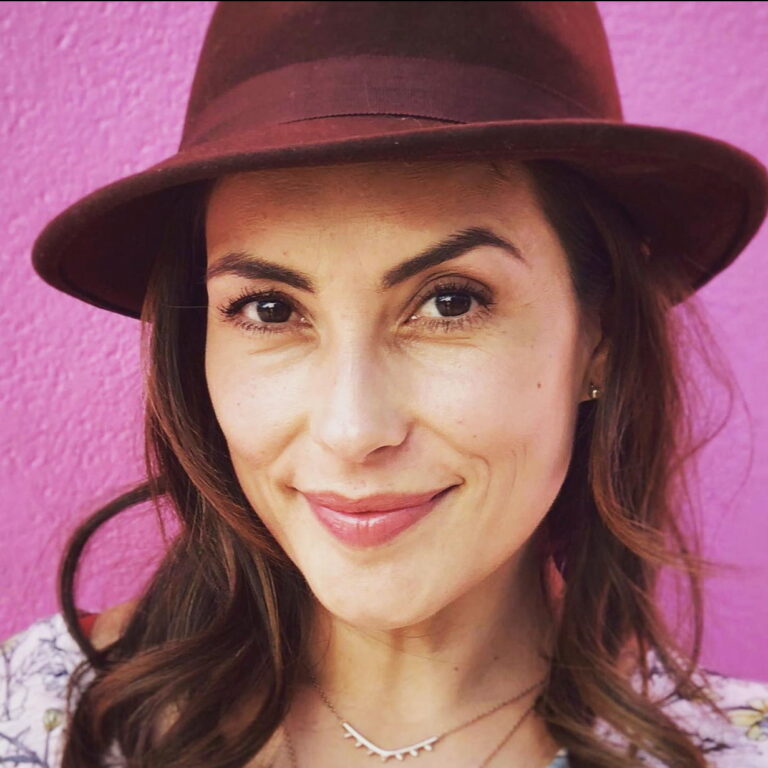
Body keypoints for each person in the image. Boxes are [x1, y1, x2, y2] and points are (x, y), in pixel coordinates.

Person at [2, 2, 767, 767]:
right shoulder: (49, 716)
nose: (352, 428)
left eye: (451, 302)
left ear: (598, 337)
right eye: (269, 309)